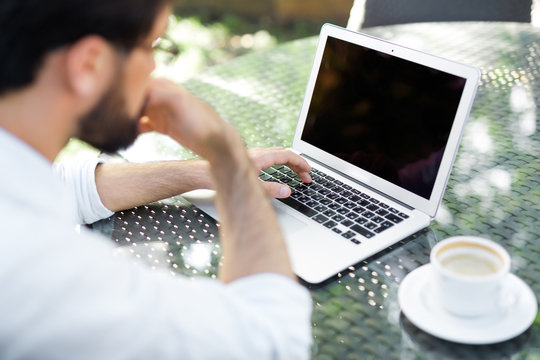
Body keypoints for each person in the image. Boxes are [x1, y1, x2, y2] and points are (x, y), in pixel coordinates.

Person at [0, 0, 314, 358]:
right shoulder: (46, 278)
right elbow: (273, 338)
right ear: (89, 64)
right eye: (151, 48)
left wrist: (197, 172)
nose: (154, 71)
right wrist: (227, 157)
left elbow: (57, 186)